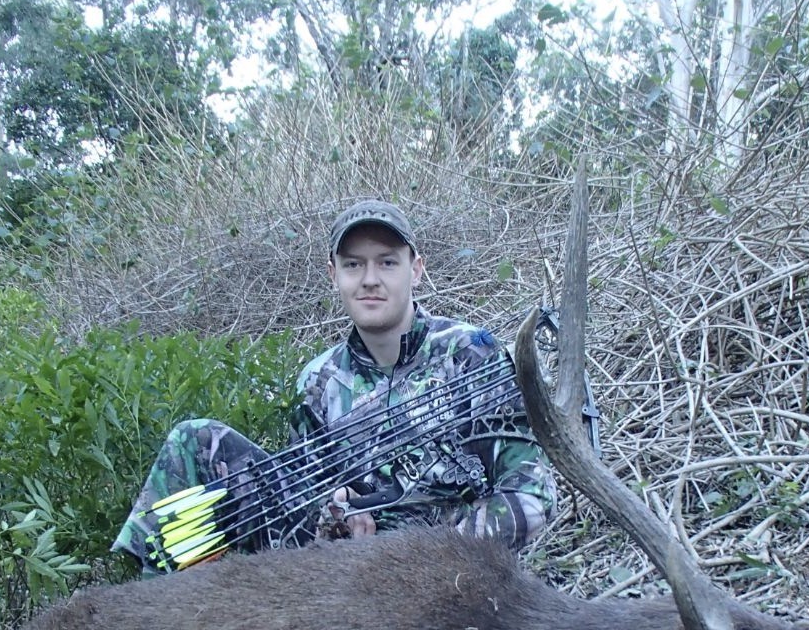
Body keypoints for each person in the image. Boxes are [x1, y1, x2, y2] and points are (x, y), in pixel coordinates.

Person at [112, 198, 558, 574]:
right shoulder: (318, 381)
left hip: (445, 575)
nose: (369, 279)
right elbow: (305, 507)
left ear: (415, 270)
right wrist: (334, 520)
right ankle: (166, 608)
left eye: (387, 262)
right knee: (195, 442)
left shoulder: (470, 353)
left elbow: (532, 497)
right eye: (353, 265)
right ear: (334, 275)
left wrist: (414, 557)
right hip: (342, 573)